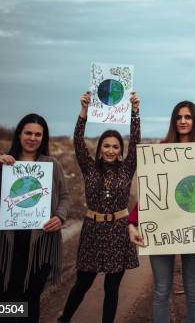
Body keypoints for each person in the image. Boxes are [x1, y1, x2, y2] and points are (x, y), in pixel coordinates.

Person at [127, 101, 195, 323]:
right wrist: (133, 223)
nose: (183, 121)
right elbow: (152, 192)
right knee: (161, 290)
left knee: (192, 289)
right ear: (173, 121)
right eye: (179, 117)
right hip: (163, 227)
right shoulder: (160, 149)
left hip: (193, 229)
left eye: (188, 117)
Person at [0, 113, 69, 322]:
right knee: (9, 304)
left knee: (30, 302)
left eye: (38, 134)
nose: (32, 138)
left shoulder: (52, 164)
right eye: (28, 133)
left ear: (43, 138)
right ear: (19, 134)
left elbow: (64, 197)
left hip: (40, 248)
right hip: (5, 248)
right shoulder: (5, 163)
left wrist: (60, 217)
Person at [58, 91, 141, 323]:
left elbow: (135, 142)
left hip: (118, 231)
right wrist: (83, 112)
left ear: (121, 150)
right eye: (106, 145)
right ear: (100, 148)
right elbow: (77, 141)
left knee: (111, 287)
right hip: (93, 230)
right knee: (82, 283)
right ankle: (64, 318)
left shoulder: (127, 169)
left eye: (115, 146)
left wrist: (135, 113)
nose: (111, 150)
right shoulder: (89, 168)